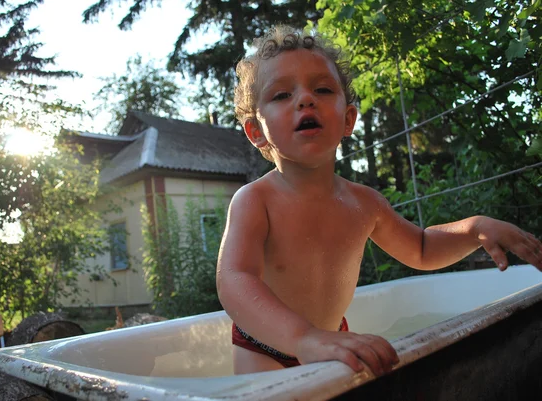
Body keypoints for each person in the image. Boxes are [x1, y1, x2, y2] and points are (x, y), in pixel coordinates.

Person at [215, 25, 542, 376]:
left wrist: (473, 229)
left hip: (332, 338)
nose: (305, 99)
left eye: (322, 89)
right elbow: (234, 278)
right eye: (281, 95)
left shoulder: (364, 203)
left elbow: (421, 248)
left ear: (348, 119)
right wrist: (302, 337)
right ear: (256, 132)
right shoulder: (255, 200)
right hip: (266, 345)